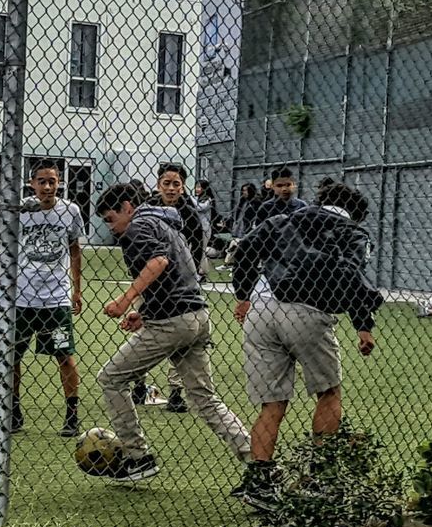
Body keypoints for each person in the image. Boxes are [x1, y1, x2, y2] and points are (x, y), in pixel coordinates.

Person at [230, 181, 384, 509]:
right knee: (328, 393)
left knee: (272, 403)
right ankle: (321, 479)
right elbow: (350, 276)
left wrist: (243, 294)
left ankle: (258, 482)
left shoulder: (283, 220)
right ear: (356, 214)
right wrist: (363, 325)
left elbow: (244, 250)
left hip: (261, 307)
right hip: (308, 311)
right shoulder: (354, 234)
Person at [93, 182, 252, 482]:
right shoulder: (165, 222)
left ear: (127, 207)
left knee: (111, 379)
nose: (111, 228)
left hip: (172, 322)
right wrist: (145, 312)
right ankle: (256, 459)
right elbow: (175, 274)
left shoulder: (138, 227)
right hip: (197, 316)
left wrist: (125, 300)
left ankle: (137, 456)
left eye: (111, 219)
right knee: (205, 399)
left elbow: (159, 262)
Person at [0, 161, 85, 437]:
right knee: (14, 355)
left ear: (59, 183)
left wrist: (76, 289)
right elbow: (7, 248)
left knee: (64, 355)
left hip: (55, 301)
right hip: (23, 298)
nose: (47, 187)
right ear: (32, 183)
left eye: (52, 181)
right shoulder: (21, 210)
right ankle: (15, 410)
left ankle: (72, 414)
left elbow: (75, 250)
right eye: (42, 181)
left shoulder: (70, 211)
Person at [146, 163, 204, 413]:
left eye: (176, 184)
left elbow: (197, 245)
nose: (171, 188)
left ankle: (176, 391)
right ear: (158, 184)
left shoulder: (189, 213)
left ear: (183, 186)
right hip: (150, 280)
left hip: (179, 285)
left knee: (181, 340)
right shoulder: (147, 207)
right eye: (166, 183)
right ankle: (140, 383)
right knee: (144, 329)